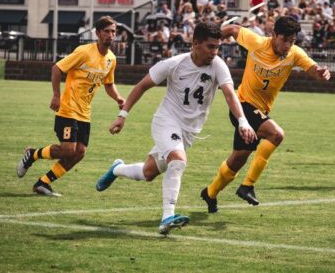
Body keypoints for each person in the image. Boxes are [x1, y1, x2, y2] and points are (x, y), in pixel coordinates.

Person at [95, 22, 256, 235]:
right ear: (195, 43)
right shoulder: (174, 64)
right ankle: (167, 217)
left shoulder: (218, 65)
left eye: (217, 47)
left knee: (149, 172)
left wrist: (243, 121)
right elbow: (142, 86)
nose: (214, 52)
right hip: (166, 121)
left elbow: (229, 94)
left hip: (189, 131)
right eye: (210, 46)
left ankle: (117, 168)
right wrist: (122, 115)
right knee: (178, 161)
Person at [200, 16, 331, 213]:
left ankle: (210, 193)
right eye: (284, 40)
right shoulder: (258, 43)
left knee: (237, 160)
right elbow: (234, 29)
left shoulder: (294, 53)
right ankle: (247, 186)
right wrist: (213, 44)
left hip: (259, 111)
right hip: (242, 105)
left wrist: (320, 72)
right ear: (273, 35)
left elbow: (311, 68)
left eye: (292, 41)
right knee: (276, 134)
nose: (287, 45)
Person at [17, 16, 125, 196]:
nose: (111, 35)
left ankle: (43, 183)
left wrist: (118, 98)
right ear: (98, 33)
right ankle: (32, 154)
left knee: (80, 153)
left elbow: (108, 84)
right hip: (68, 108)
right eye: (107, 31)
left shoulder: (111, 59)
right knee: (68, 150)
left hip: (85, 113)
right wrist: (56, 95)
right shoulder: (84, 52)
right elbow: (57, 69)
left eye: (113, 32)